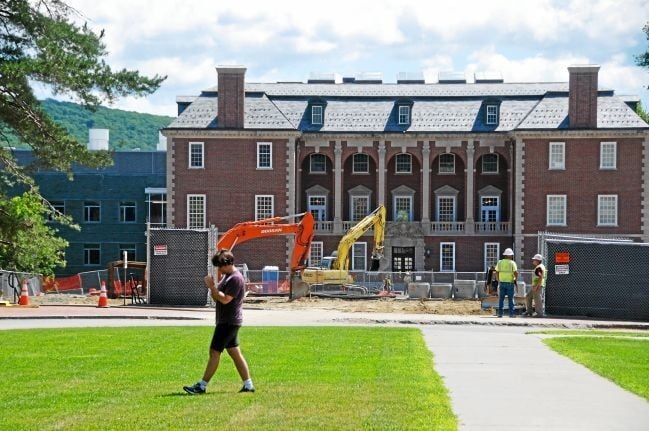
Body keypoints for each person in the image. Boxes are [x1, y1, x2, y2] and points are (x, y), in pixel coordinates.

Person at [183, 250, 255, 394]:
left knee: (214, 352)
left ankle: (201, 386)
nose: (219, 270)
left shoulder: (235, 279)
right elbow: (217, 297)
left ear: (227, 264)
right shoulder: (227, 277)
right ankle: (248, 385)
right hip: (228, 320)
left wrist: (211, 286)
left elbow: (225, 299)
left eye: (220, 266)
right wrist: (213, 288)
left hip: (228, 322)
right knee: (235, 353)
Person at [495, 248, 518, 318]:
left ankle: (500, 314)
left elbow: (496, 272)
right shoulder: (512, 263)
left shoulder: (500, 262)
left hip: (502, 283)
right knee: (510, 299)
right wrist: (515, 279)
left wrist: (498, 280)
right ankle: (511, 314)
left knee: (501, 299)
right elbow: (516, 273)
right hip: (510, 283)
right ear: (511, 255)